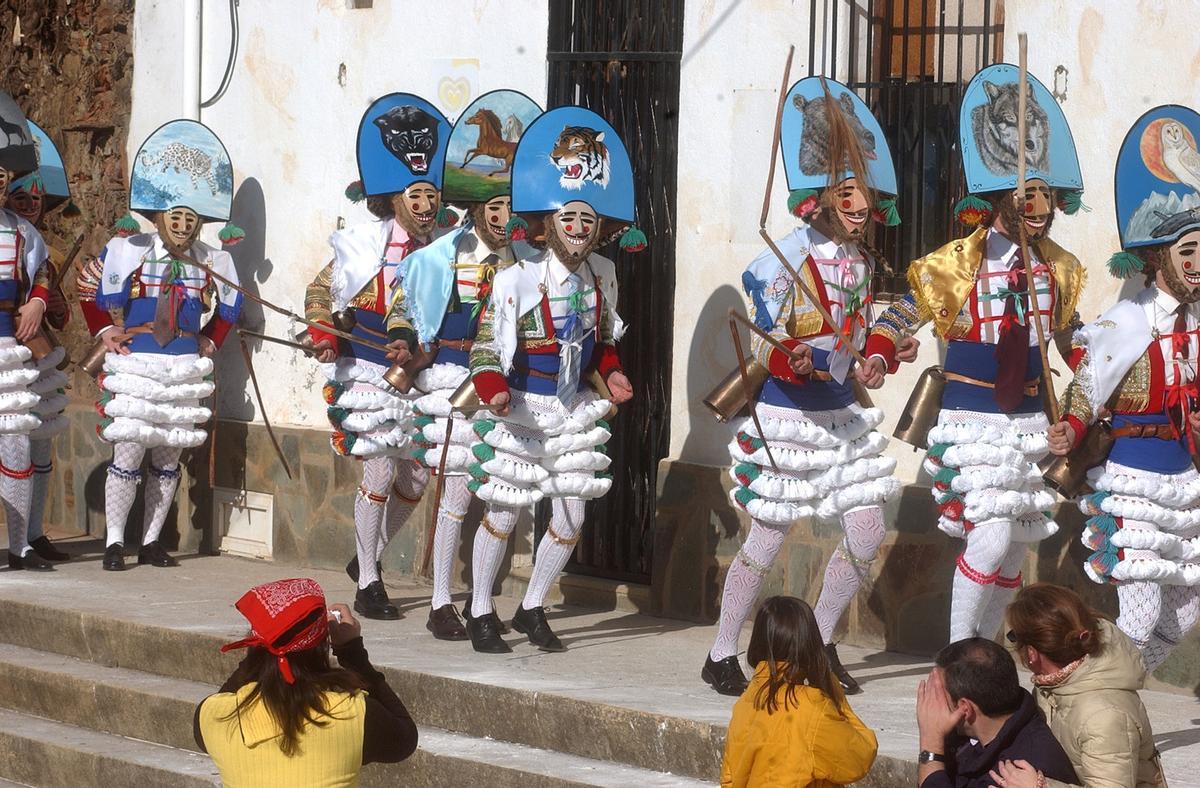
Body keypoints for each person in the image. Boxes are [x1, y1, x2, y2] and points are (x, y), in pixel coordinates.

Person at [704, 77, 914, 697]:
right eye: (846, 194)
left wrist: (878, 357)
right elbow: (774, 340)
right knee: (768, 536)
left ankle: (817, 646)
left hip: (842, 412)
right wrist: (796, 356)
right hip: (789, 414)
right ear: (817, 199)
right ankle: (721, 652)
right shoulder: (782, 258)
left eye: (864, 195)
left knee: (867, 533)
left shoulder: (859, 260)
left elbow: (861, 334)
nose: (859, 206)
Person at [864, 64, 1087, 642]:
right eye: (1027, 194)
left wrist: (1100, 377)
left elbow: (1072, 337)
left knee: (1014, 548)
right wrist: (880, 354)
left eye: (1045, 194)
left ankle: (985, 656)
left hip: (1033, 420)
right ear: (998, 200)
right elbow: (899, 314)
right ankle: (958, 652)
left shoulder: (1060, 269)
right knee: (988, 537)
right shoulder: (953, 264)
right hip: (972, 417)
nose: (1039, 206)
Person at [464, 106, 641, 653]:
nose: (580, 232)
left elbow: (604, 344)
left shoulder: (603, 276)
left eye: (589, 223)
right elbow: (486, 348)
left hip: (570, 408)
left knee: (570, 515)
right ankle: (479, 610)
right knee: (503, 510)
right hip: (520, 406)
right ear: (546, 226)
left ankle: (534, 606)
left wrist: (613, 377)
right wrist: (492, 388)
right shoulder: (515, 277)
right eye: (570, 221)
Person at [382, 89, 542, 640]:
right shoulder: (444, 255)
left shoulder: (529, 262)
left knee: (501, 493)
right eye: (493, 207)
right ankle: (440, 601)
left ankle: (479, 601)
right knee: (455, 492)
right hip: (455, 382)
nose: (502, 217)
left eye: (509, 207)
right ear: (476, 209)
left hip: (511, 391)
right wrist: (403, 337)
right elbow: (406, 305)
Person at [1047, 104, 1200, 672]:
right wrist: (1069, 426)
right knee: (1137, 615)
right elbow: (1087, 387)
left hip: (1186, 480)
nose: (1199, 265)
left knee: (1182, 616)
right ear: (1159, 257)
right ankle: (1098, 714)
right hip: (1132, 476)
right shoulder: (1126, 322)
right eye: (1188, 253)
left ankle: (1104, 702)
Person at [305, 93, 452, 620]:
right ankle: (369, 581)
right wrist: (324, 331)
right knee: (382, 471)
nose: (425, 205)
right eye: (415, 194)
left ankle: (366, 557)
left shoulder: (449, 249)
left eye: (432, 194)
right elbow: (321, 293)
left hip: (424, 375)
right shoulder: (361, 246)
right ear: (393, 198)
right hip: (369, 369)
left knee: (415, 479)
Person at [77, 119, 244, 571]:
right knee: (128, 453)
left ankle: (152, 542)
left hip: (183, 366)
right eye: (176, 217)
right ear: (157, 218)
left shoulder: (213, 262)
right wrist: (103, 331)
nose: (184, 226)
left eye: (191, 219)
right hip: (138, 364)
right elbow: (87, 286)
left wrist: (211, 340)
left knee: (169, 457)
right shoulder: (128, 250)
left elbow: (230, 309)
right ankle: (115, 541)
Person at [195, 578, 417, 786]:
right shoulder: (353, 714)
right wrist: (352, 653)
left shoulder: (217, 716)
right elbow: (405, 738)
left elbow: (226, 695)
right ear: (321, 647)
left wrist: (260, 651)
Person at [1001, 583, 1166, 788]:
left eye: (1014, 638)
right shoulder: (1053, 686)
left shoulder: (1104, 716)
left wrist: (1040, 786)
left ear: (1032, 654)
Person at [6, 118, 77, 563]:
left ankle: (30, 536)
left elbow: (61, 311)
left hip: (30, 357)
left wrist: (42, 301)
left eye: (36, 199)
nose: (30, 205)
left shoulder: (31, 243)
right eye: (21, 198)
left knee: (38, 443)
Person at [720, 596, 877, 788]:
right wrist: (836, 696)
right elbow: (859, 758)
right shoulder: (812, 708)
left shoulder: (746, 702)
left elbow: (729, 778)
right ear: (810, 646)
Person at [0, 94, 62, 573]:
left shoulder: (22, 231)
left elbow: (41, 272)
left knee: (18, 442)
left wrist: (38, 301)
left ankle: (20, 546)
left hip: (7, 352)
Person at [916, 637, 1078, 788]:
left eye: (939, 694)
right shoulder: (975, 737)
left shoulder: (1017, 774)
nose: (934, 704)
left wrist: (930, 744)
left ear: (965, 708)